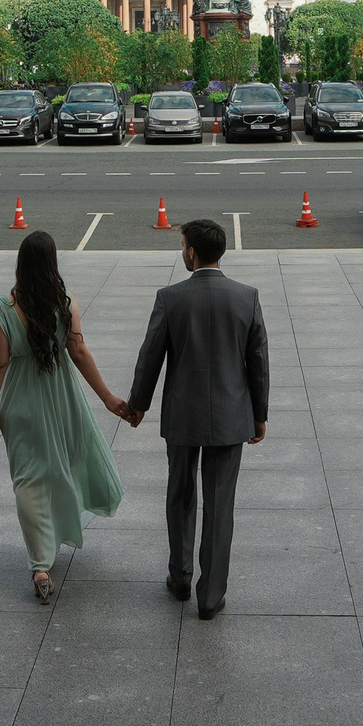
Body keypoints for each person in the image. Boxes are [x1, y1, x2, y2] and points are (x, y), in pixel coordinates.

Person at [125, 217, 269, 620]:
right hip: (230, 418)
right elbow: (257, 362)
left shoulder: (170, 297)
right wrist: (259, 415)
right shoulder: (247, 297)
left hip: (183, 418)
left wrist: (138, 405)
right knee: (221, 505)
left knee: (180, 495)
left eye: (182, 245)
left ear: (191, 252)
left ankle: (180, 576)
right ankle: (211, 596)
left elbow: (150, 356)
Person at [0, 230, 128, 603]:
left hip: (20, 404)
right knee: (64, 467)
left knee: (28, 480)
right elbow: (78, 351)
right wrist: (108, 397)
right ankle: (56, 536)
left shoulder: (3, 306)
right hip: (61, 397)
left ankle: (40, 565)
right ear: (52, 264)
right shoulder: (65, 303)